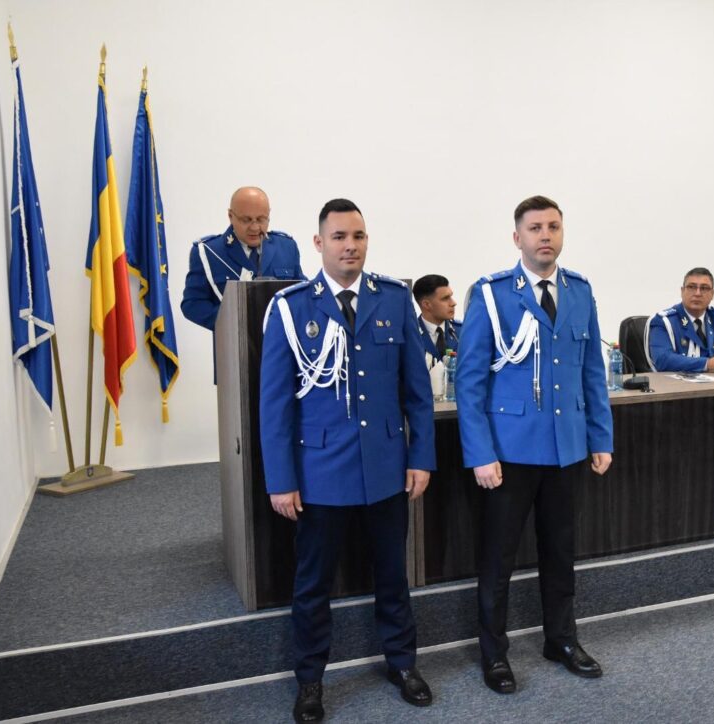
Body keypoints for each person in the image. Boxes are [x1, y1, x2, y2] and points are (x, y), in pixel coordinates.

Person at [259, 198, 436, 722]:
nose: (350, 246)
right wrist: (280, 480)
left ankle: (403, 663)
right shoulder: (291, 307)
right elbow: (274, 404)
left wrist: (421, 457)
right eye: (339, 237)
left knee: (393, 575)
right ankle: (310, 680)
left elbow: (417, 392)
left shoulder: (394, 299)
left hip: (385, 467)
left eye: (358, 236)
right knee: (313, 584)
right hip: (319, 473)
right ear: (319, 243)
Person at [455, 195, 614, 695]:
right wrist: (480, 452)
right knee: (498, 559)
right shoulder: (492, 294)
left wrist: (600, 436)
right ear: (517, 237)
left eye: (553, 227)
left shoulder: (579, 291)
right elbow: (469, 381)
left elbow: (592, 372)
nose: (545, 235)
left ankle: (561, 640)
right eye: (535, 228)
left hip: (567, 448)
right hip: (509, 452)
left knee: (561, 552)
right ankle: (494, 653)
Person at [181, 186, 305, 333]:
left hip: (280, 341)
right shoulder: (208, 252)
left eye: (261, 219)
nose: (255, 227)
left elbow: (302, 293)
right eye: (246, 220)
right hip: (233, 341)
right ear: (230, 216)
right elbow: (192, 304)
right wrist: (234, 321)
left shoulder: (286, 247)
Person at [412, 274, 461, 365]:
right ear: (426, 304)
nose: (453, 303)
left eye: (451, 296)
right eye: (445, 298)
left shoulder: (462, 332)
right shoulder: (410, 335)